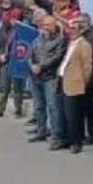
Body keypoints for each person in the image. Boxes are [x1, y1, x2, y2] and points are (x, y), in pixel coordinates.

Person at [28, 13, 66, 147]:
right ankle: (41, 131)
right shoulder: (38, 39)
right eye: (44, 25)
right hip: (35, 76)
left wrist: (41, 66)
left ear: (54, 25)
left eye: (49, 25)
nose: (46, 27)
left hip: (50, 76)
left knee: (53, 106)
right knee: (38, 105)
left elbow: (57, 57)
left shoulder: (60, 40)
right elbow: (30, 53)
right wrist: (32, 65)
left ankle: (56, 135)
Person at [59, 15, 93, 154]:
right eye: (69, 28)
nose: (71, 30)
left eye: (74, 28)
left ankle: (76, 142)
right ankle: (68, 139)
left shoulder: (84, 44)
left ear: (80, 30)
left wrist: (82, 81)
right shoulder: (71, 43)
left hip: (75, 83)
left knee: (74, 116)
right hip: (64, 80)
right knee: (67, 114)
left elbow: (87, 66)